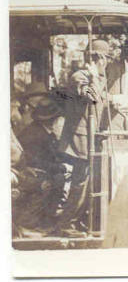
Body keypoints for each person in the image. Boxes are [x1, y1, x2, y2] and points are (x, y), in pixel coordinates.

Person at [55, 39, 111, 237]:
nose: (107, 63)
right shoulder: (80, 77)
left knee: (86, 181)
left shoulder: (96, 77)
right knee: (80, 182)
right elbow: (92, 98)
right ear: (99, 58)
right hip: (79, 138)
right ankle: (66, 223)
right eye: (106, 59)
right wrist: (94, 77)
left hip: (90, 136)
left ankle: (76, 220)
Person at [16, 99, 68, 231]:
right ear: (49, 120)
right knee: (58, 179)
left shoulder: (44, 131)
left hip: (40, 168)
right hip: (28, 170)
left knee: (60, 176)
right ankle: (44, 220)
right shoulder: (34, 134)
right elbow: (33, 160)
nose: (57, 120)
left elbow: (52, 154)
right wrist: (59, 167)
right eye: (55, 118)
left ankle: (48, 217)